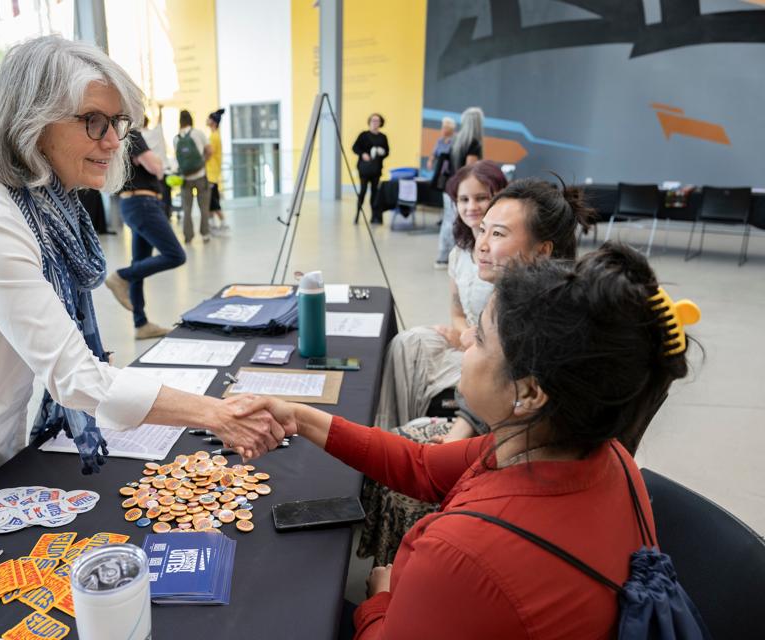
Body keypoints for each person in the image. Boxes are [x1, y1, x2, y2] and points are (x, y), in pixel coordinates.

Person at [0, 36, 288, 552]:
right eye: (95, 120)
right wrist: (216, 414)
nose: (114, 141)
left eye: (118, 123)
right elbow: (73, 375)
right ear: (32, 120)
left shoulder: (51, 199)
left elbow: (62, 341)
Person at [237, 242, 697, 638]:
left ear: (530, 391)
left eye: (481, 337)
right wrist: (301, 417)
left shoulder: (464, 556)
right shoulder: (587, 452)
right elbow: (420, 465)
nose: (464, 342)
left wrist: (382, 597)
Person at [366, 177, 593, 565]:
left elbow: (531, 435)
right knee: (397, 444)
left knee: (402, 470)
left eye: (498, 233)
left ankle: (399, 586)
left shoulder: (545, 319)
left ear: (543, 250)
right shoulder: (512, 298)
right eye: (482, 230)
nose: (482, 244)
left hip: (519, 460)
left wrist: (461, 446)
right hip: (497, 439)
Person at [361, 161, 506, 564]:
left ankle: (405, 460)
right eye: (464, 199)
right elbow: (458, 312)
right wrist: (462, 334)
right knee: (407, 343)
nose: (473, 207)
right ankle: (389, 436)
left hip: (484, 349)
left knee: (423, 349)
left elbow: (498, 345)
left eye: (482, 198)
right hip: (470, 339)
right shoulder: (464, 251)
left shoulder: (512, 268)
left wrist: (473, 341)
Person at [105, 126, 186, 340]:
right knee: (175, 255)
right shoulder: (132, 134)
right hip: (143, 203)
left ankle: (141, 324)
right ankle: (120, 277)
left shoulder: (121, 137)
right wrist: (157, 163)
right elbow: (155, 167)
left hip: (135, 204)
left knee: (139, 263)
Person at [435, 107, 484, 267]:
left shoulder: (455, 140)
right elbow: (470, 171)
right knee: (462, 223)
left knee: (449, 221)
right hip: (462, 190)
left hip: (449, 187)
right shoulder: (473, 143)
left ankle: (443, 256)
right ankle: (458, 259)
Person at [174, 109, 212, 244]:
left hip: (185, 179)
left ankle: (188, 237)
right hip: (201, 176)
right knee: (204, 208)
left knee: (187, 210)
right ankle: (205, 234)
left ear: (180, 121)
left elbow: (178, 159)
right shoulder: (198, 133)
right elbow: (210, 150)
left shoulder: (176, 138)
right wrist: (202, 163)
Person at [352, 113, 389, 224]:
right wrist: (363, 154)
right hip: (364, 169)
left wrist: (381, 152)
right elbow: (355, 147)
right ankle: (357, 214)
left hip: (376, 169)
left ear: (380, 123)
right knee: (362, 191)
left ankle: (374, 217)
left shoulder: (383, 137)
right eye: (373, 120)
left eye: (377, 121)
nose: (375, 122)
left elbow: (387, 152)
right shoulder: (363, 135)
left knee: (375, 193)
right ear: (369, 121)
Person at [205, 108, 228, 233]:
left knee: (212, 201)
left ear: (213, 122)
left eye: (209, 119)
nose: (206, 121)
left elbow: (210, 152)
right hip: (213, 173)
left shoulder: (214, 137)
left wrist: (202, 159)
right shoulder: (214, 135)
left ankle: (222, 222)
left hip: (211, 174)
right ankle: (212, 223)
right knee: (211, 200)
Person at [426, 116, 456, 190]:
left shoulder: (456, 141)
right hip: (440, 172)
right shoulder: (440, 141)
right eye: (442, 127)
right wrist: (430, 161)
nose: (442, 130)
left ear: (451, 129)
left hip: (451, 172)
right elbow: (434, 153)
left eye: (445, 128)